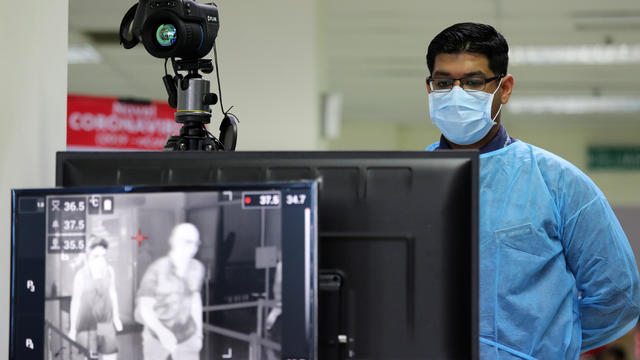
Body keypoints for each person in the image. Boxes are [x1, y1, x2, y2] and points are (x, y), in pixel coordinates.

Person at [424, 22, 640, 359]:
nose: (456, 93)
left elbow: (617, 295)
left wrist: (549, 343)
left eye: (473, 82)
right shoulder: (401, 182)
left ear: (504, 88)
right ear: (429, 88)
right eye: (443, 82)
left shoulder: (559, 182)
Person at [135, 223, 205, 360]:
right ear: (174, 241)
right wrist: (163, 333)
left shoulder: (197, 268)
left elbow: (195, 300)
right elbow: (145, 308)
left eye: (196, 243)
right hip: (156, 336)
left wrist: (199, 334)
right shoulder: (155, 270)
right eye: (187, 242)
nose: (192, 248)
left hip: (187, 336)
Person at [68, 235, 123, 360]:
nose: (100, 260)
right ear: (89, 255)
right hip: (86, 325)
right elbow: (75, 301)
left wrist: (116, 317)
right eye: (96, 256)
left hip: (105, 323)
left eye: (103, 255)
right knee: (89, 356)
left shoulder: (110, 271)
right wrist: (72, 328)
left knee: (110, 356)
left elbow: (113, 293)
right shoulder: (81, 275)